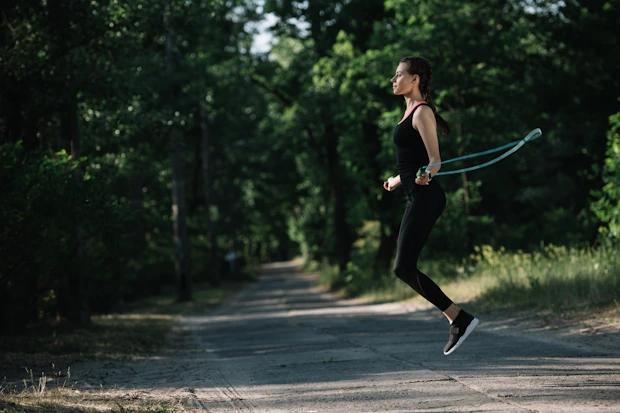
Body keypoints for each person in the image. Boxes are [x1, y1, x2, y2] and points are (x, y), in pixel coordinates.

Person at [383, 56, 479, 355]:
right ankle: (458, 318)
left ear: (415, 79)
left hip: (427, 196)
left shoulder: (422, 112)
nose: (393, 79)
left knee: (402, 267)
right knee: (403, 267)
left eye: (399, 75)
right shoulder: (408, 110)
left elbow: (434, 160)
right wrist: (400, 178)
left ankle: (459, 319)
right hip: (416, 194)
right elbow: (412, 158)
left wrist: (425, 175)